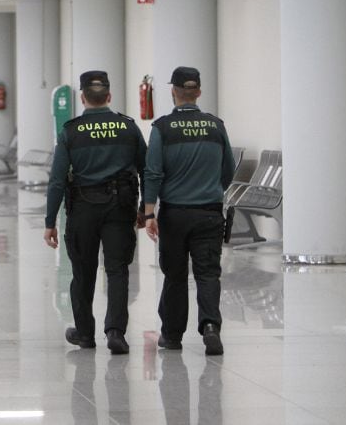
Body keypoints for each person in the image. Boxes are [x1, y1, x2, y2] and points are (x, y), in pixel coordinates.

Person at [44, 70, 147, 354]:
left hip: (83, 210)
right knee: (117, 270)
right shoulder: (128, 128)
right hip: (120, 208)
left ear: (82, 97)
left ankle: (85, 334)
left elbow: (57, 179)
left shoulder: (71, 131)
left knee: (83, 271)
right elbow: (146, 169)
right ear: (109, 96)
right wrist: (145, 210)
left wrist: (50, 220)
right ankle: (115, 332)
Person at [143, 67, 235, 355]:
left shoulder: (162, 128)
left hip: (175, 214)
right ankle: (210, 328)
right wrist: (210, 189)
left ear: (173, 92)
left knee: (175, 275)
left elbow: (153, 173)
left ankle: (172, 335)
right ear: (198, 92)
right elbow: (228, 170)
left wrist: (149, 212)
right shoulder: (216, 125)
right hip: (209, 212)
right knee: (208, 273)